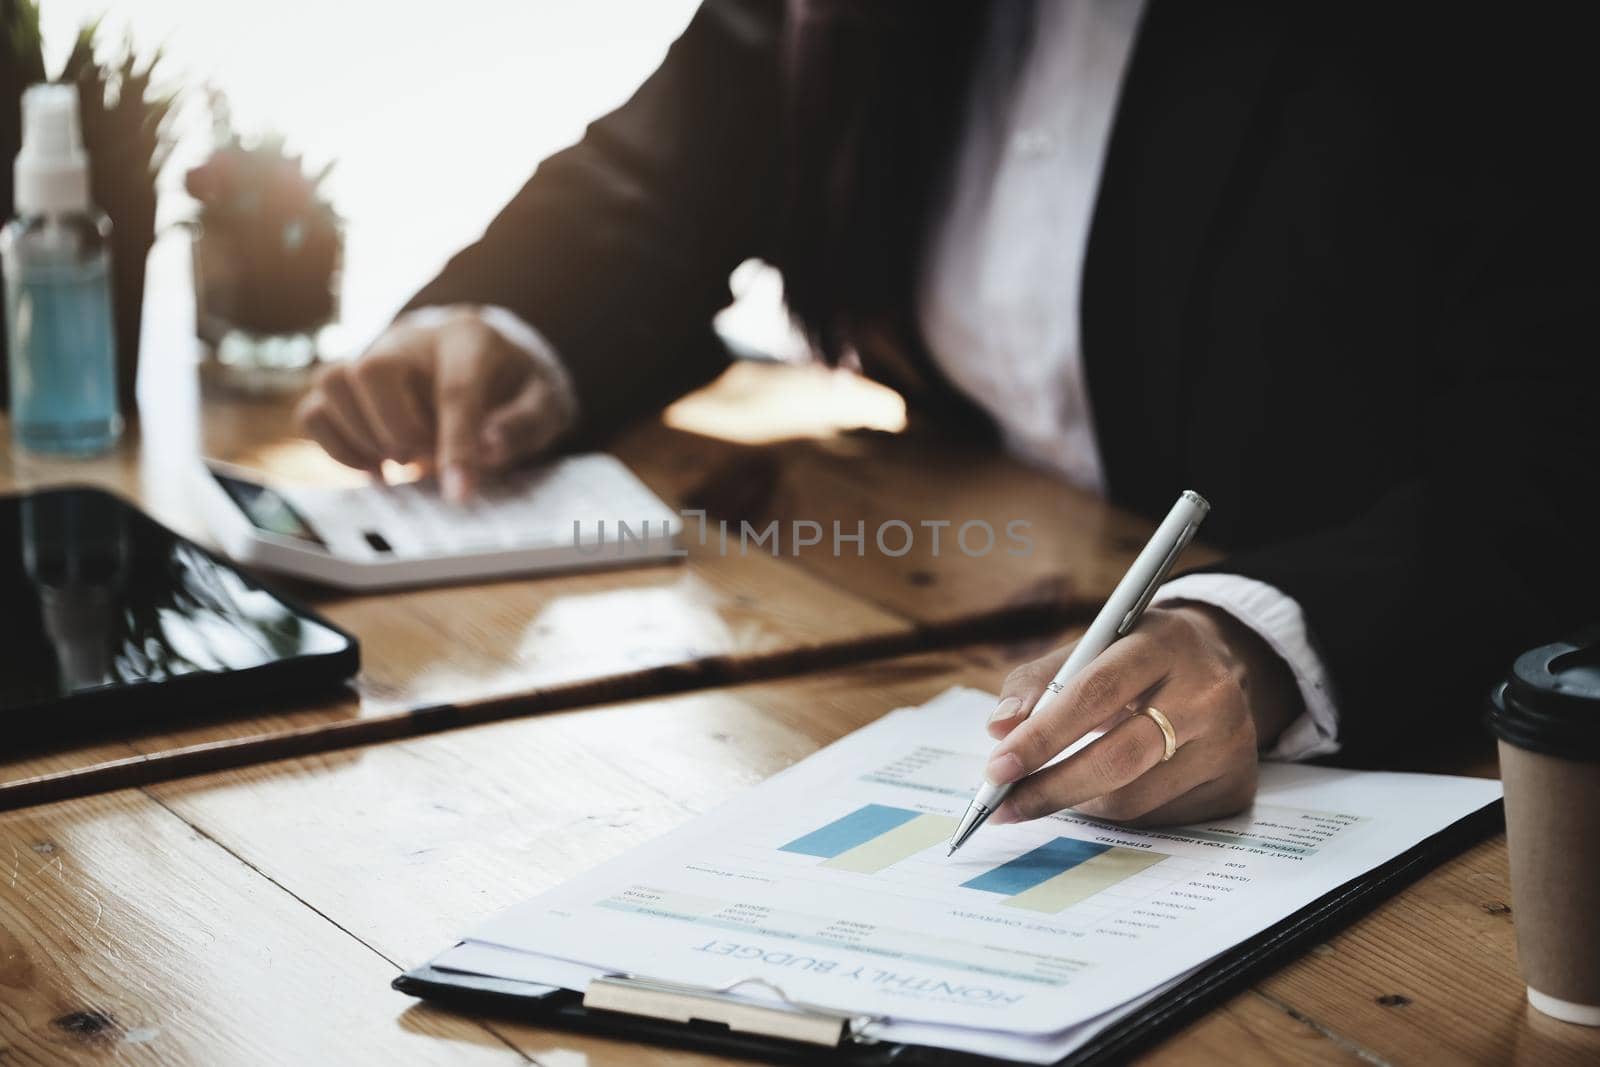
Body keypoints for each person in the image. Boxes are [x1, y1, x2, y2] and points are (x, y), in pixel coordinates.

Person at [296, 0, 1596, 826]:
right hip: (942, 616)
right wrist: (496, 327)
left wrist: (1256, 638)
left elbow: (1553, 455)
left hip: (1424, 733)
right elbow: (657, 181)